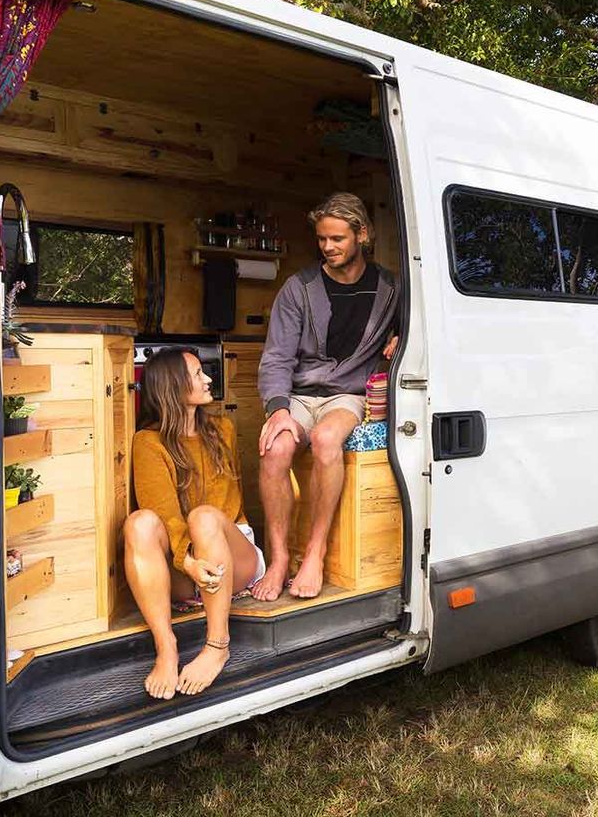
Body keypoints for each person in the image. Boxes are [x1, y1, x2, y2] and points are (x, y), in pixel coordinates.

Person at [251, 192, 400, 601]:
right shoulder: (298, 289)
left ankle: (315, 553)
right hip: (300, 393)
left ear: (362, 235)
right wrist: (278, 410)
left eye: (337, 239)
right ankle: (279, 557)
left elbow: (420, 325)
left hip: (347, 395)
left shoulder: (390, 289)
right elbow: (276, 358)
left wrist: (402, 337)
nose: (328, 247)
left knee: (326, 439)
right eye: (322, 239)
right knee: (275, 448)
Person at [122, 347, 263, 699]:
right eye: (198, 374)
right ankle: (166, 647)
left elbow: (226, 506)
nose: (209, 379)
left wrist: (198, 556)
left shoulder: (222, 429)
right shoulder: (147, 442)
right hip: (187, 563)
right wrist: (187, 562)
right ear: (172, 386)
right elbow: (164, 513)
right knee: (139, 523)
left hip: (231, 554)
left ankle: (217, 645)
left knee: (203, 516)